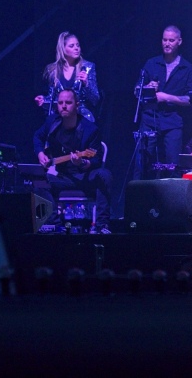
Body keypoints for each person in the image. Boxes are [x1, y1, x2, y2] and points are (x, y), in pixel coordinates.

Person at [33, 89, 112, 234]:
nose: (63, 106)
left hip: (84, 177)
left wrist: (83, 163)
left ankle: (102, 226)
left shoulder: (90, 129)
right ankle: (55, 226)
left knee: (104, 175)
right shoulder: (52, 121)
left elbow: (96, 159)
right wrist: (40, 153)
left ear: (77, 105)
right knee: (38, 180)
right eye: (60, 103)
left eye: (68, 103)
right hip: (62, 176)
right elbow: (38, 136)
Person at [135, 25, 192, 179]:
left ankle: (172, 200)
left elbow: (191, 99)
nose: (167, 43)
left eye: (171, 40)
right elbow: (136, 90)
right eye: (165, 40)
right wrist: (147, 88)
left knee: (173, 164)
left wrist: (166, 97)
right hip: (150, 118)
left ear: (179, 41)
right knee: (142, 163)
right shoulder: (152, 63)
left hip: (173, 122)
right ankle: (139, 199)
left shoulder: (188, 69)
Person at [34, 31, 101, 123]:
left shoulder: (87, 67)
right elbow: (53, 99)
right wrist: (43, 101)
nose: (76, 48)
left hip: (82, 118)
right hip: (61, 118)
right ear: (63, 49)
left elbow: (95, 99)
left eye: (78, 45)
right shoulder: (53, 70)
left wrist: (87, 84)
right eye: (71, 46)